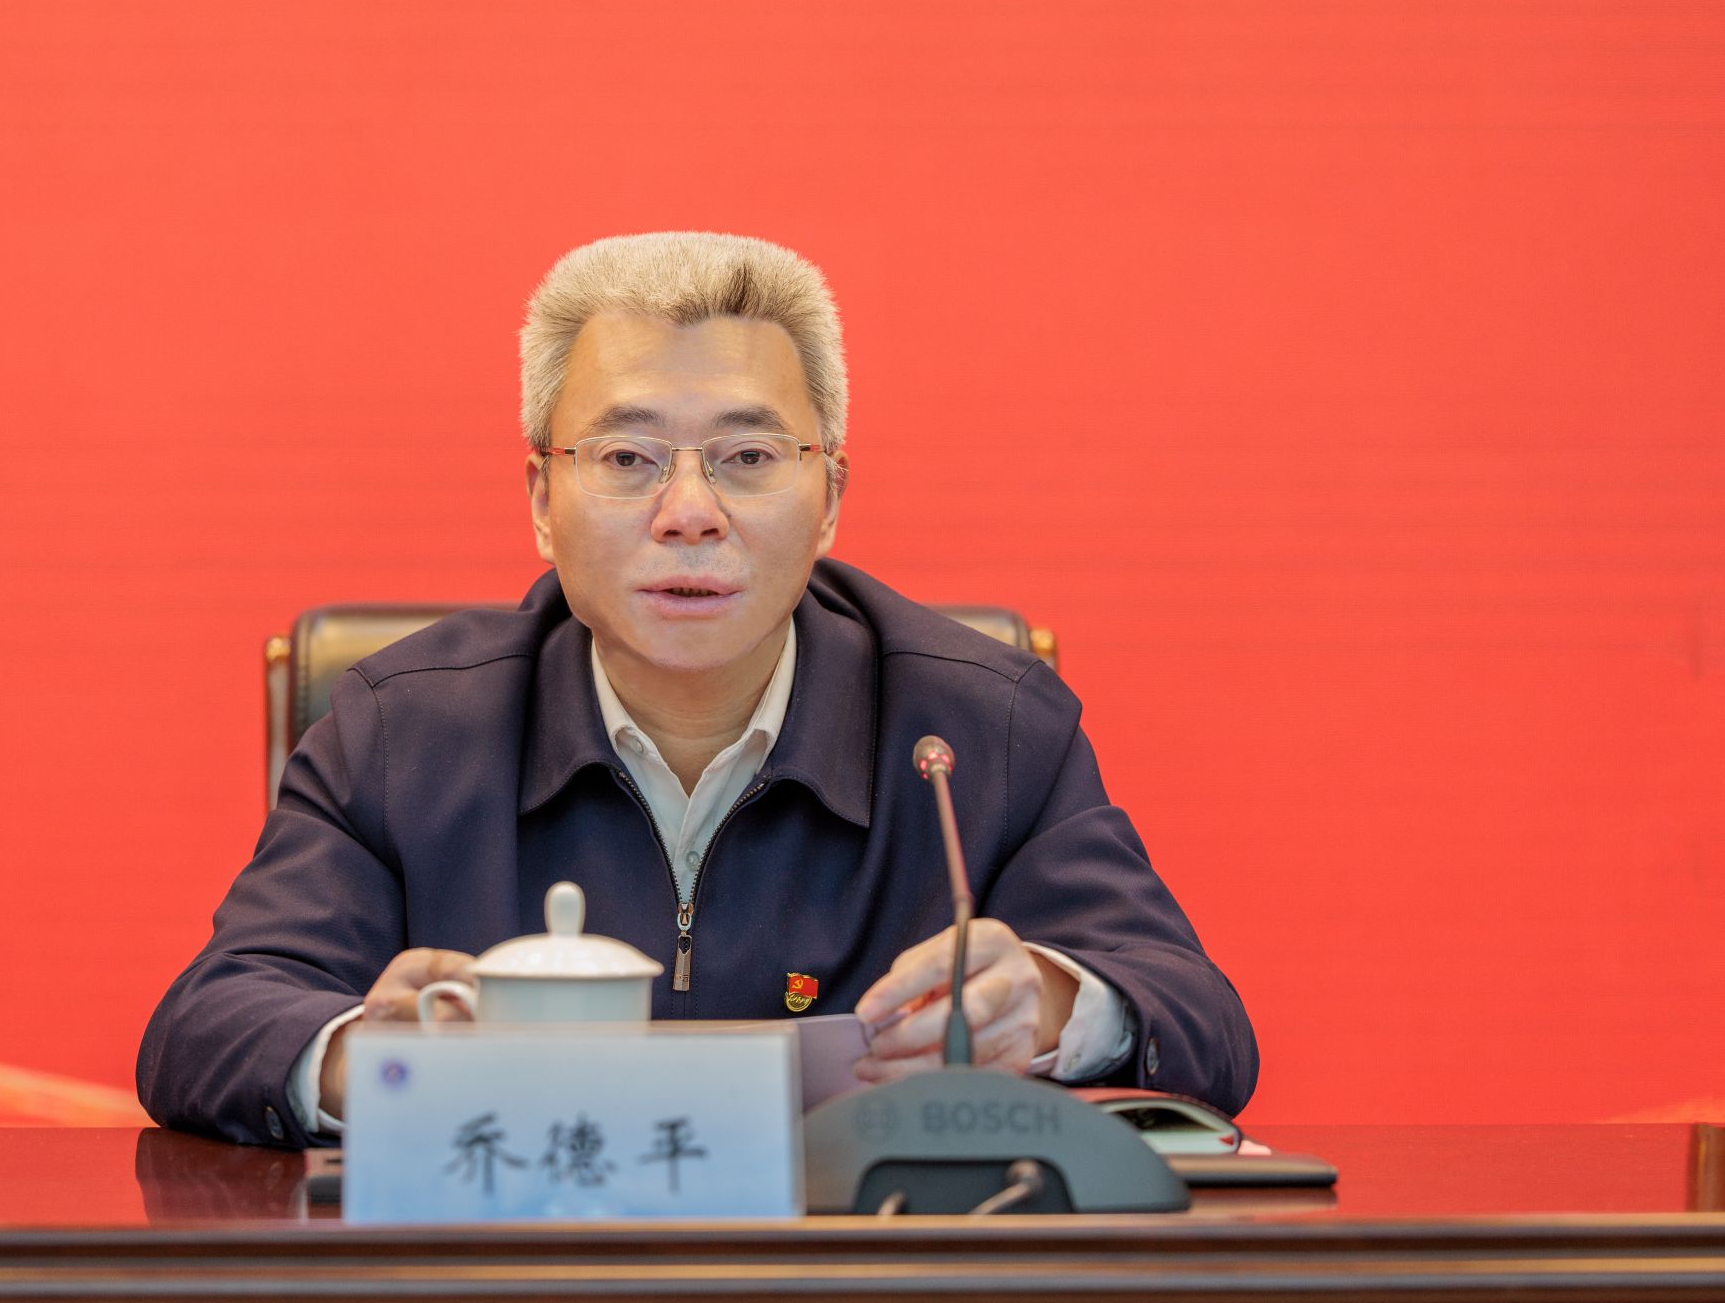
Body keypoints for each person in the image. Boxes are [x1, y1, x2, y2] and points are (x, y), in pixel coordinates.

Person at [137, 232, 1257, 1147]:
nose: (688, 513)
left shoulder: (981, 727)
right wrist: (372, 1059)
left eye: (747, 458)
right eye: (626, 459)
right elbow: (208, 1023)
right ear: (541, 500)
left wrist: (1051, 1007)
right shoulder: (404, 728)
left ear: (829, 498)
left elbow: (1199, 1019)